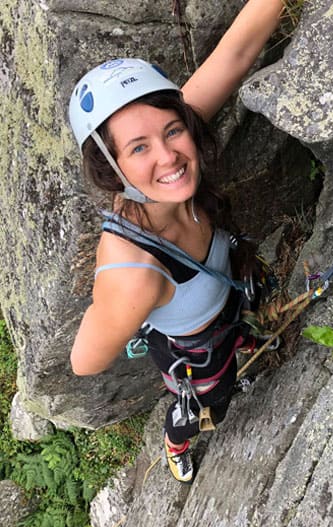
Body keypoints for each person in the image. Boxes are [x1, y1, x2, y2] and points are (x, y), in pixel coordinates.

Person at [69, 0, 286, 484]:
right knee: (207, 404)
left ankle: (241, 364)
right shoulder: (135, 274)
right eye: (138, 148)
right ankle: (175, 444)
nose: (168, 156)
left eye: (172, 131)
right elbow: (84, 361)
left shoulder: (173, 160)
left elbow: (235, 54)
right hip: (195, 354)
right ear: (112, 168)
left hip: (227, 309)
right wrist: (114, 298)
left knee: (241, 347)